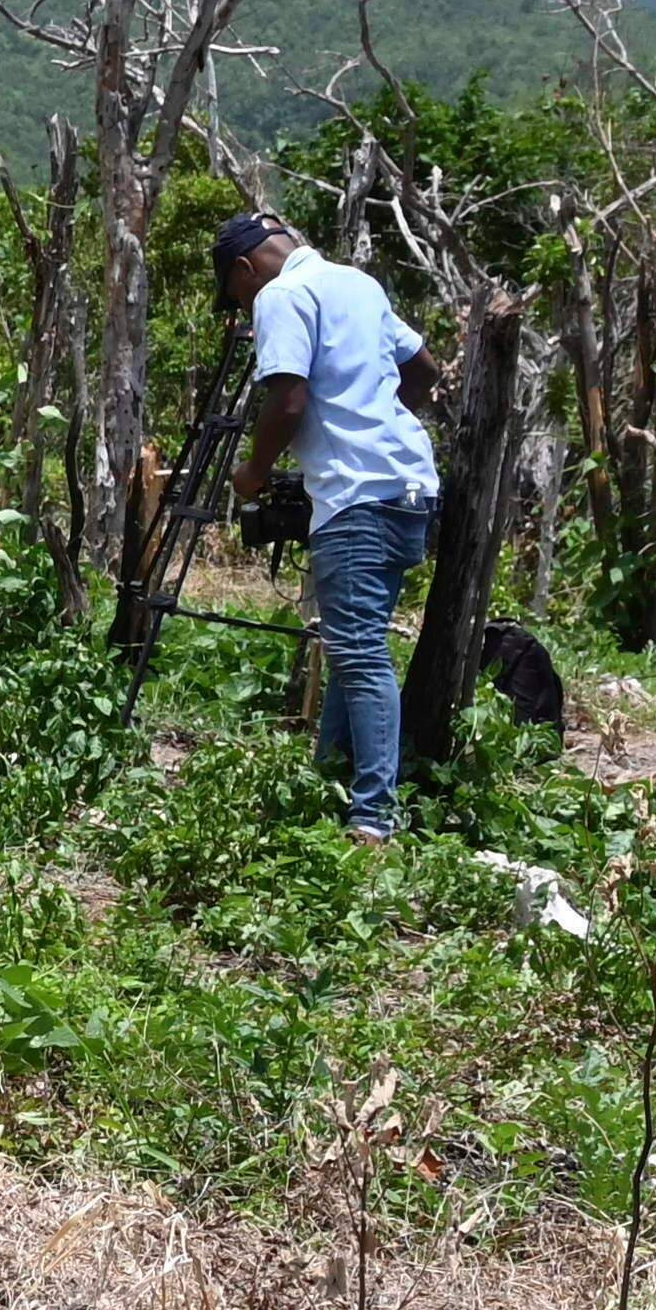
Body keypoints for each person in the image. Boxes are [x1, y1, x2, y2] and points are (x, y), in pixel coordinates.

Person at [219, 207, 443, 840]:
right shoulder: (357, 283)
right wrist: (370, 415)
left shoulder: (282, 294)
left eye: (237, 296)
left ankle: (373, 816)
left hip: (354, 495)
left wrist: (254, 472)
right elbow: (424, 369)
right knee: (350, 645)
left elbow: (286, 397)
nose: (243, 307)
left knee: (361, 653)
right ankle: (331, 775)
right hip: (408, 489)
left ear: (245, 268)